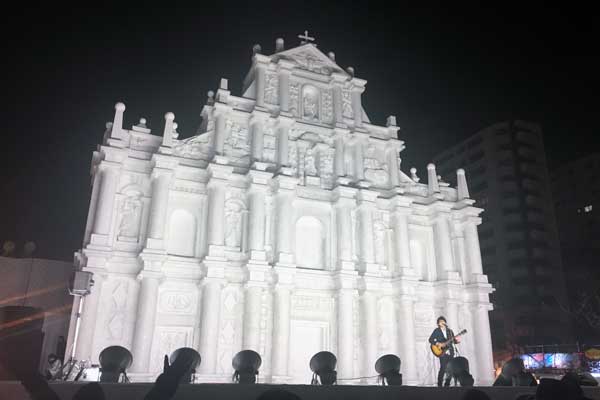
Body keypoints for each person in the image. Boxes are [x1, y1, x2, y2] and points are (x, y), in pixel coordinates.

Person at [428, 316, 458, 387]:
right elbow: (430, 339)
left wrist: (457, 340)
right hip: (442, 352)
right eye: (440, 322)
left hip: (450, 351)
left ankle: (447, 384)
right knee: (443, 368)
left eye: (443, 321)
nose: (442, 322)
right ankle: (439, 384)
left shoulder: (449, 331)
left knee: (451, 368)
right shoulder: (437, 331)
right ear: (438, 324)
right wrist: (438, 343)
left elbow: (453, 341)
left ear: (445, 322)